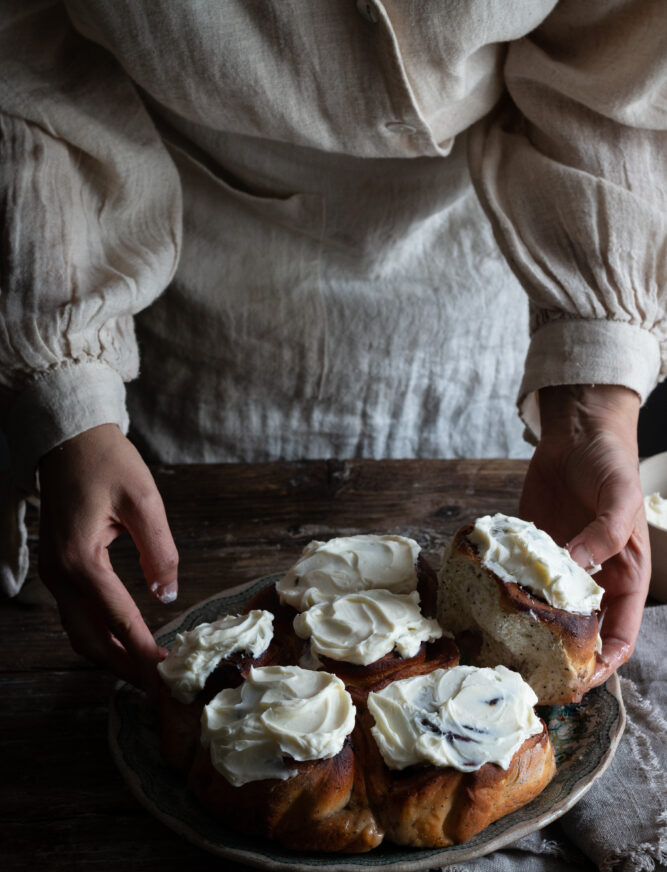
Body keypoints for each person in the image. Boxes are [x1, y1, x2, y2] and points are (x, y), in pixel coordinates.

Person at [1, 1, 663, 694]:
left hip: (484, 266)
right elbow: (22, 52)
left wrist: (590, 406)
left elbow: (615, 62)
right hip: (156, 273)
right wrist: (68, 391)